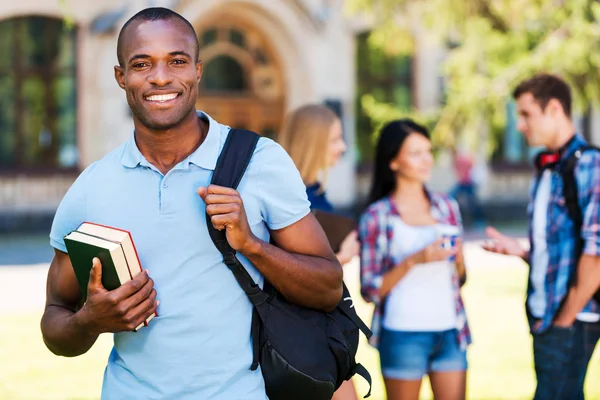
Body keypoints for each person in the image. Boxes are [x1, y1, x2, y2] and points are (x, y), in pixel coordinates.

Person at [40, 8, 343, 400]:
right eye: (142, 64)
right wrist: (90, 320)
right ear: (121, 77)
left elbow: (328, 287)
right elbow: (54, 323)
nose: (161, 77)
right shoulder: (91, 187)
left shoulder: (261, 160)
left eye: (177, 61)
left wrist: (252, 244)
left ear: (198, 70)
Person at [483, 74, 600, 400]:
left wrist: (565, 319)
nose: (520, 125)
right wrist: (521, 250)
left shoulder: (589, 164)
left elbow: (597, 252)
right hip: (545, 314)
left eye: (526, 114)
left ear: (554, 109)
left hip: (572, 318)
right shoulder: (545, 167)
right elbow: (560, 247)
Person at [359, 119, 471, 400]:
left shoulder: (447, 206)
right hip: (403, 334)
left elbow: (461, 278)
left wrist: (457, 259)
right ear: (393, 162)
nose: (426, 160)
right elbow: (370, 290)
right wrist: (415, 259)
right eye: (415, 153)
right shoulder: (377, 216)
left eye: (428, 151)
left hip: (450, 331)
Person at [277, 104, 360, 400]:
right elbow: (284, 272)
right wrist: (343, 258)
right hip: (300, 329)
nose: (343, 147)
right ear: (313, 141)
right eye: (335, 139)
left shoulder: (316, 192)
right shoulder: (287, 198)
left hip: (325, 320)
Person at [449, 146, 486, 228]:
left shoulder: (462, 160)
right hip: (462, 183)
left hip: (468, 183)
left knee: (472, 203)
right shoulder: (457, 161)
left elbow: (472, 165)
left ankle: (479, 221)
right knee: (451, 198)